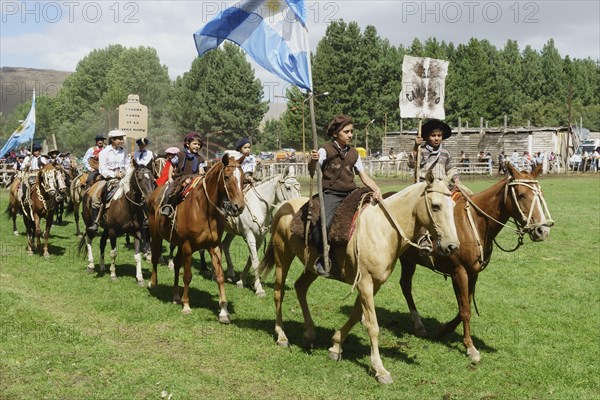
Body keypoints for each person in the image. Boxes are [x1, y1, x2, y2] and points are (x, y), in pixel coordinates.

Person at [308, 114, 383, 277]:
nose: (350, 135)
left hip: (352, 194)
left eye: (351, 132)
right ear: (335, 133)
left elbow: (363, 176)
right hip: (331, 194)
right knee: (324, 222)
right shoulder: (324, 150)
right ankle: (322, 257)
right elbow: (312, 171)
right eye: (346, 132)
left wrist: (376, 188)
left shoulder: (354, 153)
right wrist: (312, 161)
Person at [408, 119, 461, 260]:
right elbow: (411, 164)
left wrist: (457, 181)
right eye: (433, 135)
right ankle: (423, 238)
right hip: (426, 187)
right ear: (426, 137)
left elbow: (451, 168)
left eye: (439, 135)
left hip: (443, 187)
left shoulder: (446, 153)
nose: (436, 138)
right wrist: (415, 147)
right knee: (426, 210)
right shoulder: (421, 151)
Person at [87, 130, 129, 234]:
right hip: (108, 179)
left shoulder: (123, 151)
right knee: (96, 197)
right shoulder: (104, 152)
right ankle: (95, 222)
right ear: (112, 140)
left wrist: (125, 172)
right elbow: (102, 169)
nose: (121, 141)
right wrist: (114, 174)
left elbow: (127, 164)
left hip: (123, 178)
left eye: (121, 138)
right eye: (119, 139)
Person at [161, 132, 207, 217]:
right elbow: (171, 165)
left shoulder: (200, 158)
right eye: (195, 144)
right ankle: (168, 206)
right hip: (180, 178)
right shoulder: (180, 155)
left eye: (199, 144)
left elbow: (201, 168)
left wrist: (201, 171)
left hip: (194, 179)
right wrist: (170, 177)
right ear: (187, 144)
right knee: (171, 190)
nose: (197, 146)